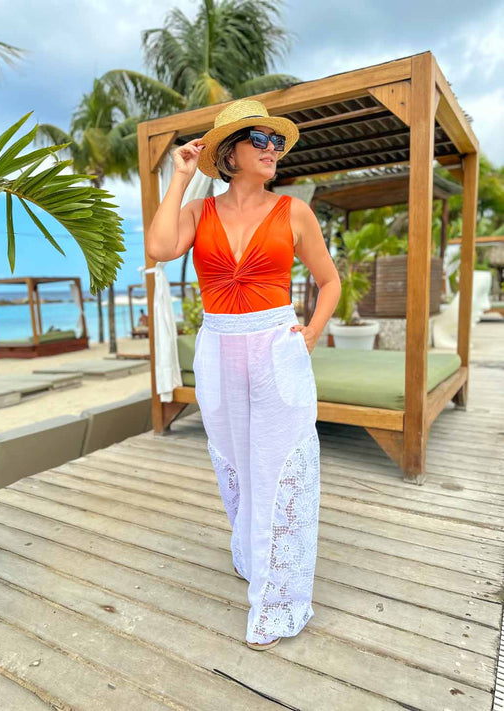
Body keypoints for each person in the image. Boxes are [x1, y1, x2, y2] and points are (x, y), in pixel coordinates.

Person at [147, 98, 341, 650]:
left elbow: (329, 281)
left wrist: (311, 333)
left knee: (281, 469)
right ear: (229, 154)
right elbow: (159, 248)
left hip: (277, 347)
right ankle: (254, 555)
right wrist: (181, 176)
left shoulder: (294, 212)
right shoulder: (198, 211)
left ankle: (280, 601)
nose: (272, 149)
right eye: (260, 140)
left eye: (276, 142)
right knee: (235, 463)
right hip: (218, 351)